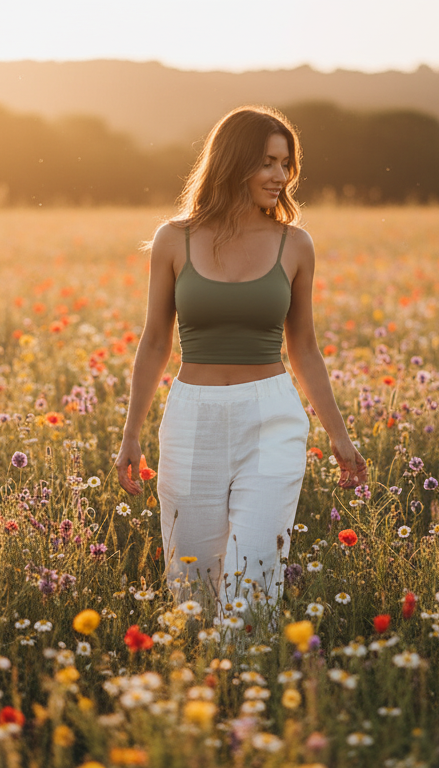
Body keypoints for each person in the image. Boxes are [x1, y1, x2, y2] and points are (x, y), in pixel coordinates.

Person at [115, 105, 367, 610]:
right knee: (193, 588)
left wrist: (340, 436)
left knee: (254, 582)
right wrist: (131, 434)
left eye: (285, 164)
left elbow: (305, 348)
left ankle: (252, 672)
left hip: (271, 416)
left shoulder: (295, 245)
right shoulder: (173, 239)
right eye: (268, 163)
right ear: (233, 162)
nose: (281, 176)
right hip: (192, 418)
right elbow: (155, 343)